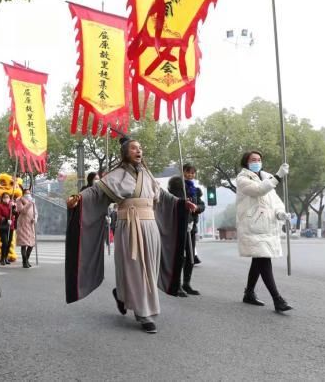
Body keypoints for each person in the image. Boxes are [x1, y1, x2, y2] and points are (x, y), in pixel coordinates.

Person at [66, 137, 196, 334]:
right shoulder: (115, 175)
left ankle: (122, 294)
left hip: (150, 226)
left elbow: (164, 197)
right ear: (125, 152)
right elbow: (95, 193)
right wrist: (78, 198)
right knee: (135, 269)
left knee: (149, 268)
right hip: (128, 226)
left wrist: (182, 203)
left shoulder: (148, 175)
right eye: (134, 148)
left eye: (140, 147)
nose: (139, 151)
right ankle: (144, 313)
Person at [236, 150, 293, 312]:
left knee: (259, 260)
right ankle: (277, 299)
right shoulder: (242, 179)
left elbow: (273, 200)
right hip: (253, 225)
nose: (256, 161)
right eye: (253, 159)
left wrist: (280, 212)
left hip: (267, 224)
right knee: (264, 259)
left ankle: (249, 293)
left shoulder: (266, 176)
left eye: (259, 159)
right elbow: (259, 190)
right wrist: (279, 176)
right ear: (246, 162)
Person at [168, 163, 206, 297]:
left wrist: (196, 208)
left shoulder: (196, 190)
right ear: (183, 172)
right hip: (180, 225)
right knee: (180, 256)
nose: (190, 175)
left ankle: (187, 283)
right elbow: (173, 203)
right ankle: (176, 285)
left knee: (190, 256)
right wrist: (184, 205)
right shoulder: (177, 186)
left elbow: (202, 205)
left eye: (192, 173)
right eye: (187, 172)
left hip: (191, 225)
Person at [16, 188, 37, 268]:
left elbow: (36, 212)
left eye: (29, 193)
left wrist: (35, 218)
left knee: (31, 244)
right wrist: (30, 203)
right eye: (26, 193)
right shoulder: (19, 200)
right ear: (23, 194)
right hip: (23, 223)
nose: (28, 195)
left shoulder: (32, 201)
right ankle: (24, 262)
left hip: (31, 224)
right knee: (24, 244)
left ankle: (26, 260)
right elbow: (22, 211)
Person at [0, 192, 15, 266]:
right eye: (5, 197)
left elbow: (15, 213)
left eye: (8, 197)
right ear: (2, 198)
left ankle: (6, 257)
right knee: (5, 242)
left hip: (10, 227)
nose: (6, 198)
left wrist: (13, 207)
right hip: (3, 227)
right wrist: (6, 220)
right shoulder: (0, 206)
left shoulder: (11, 205)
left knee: (9, 243)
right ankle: (2, 258)